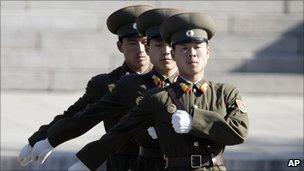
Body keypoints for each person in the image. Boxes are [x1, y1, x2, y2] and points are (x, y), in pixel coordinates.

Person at [71, 12, 249, 171]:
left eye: (197, 48)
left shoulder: (225, 93)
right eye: (184, 49)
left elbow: (239, 132)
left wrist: (195, 121)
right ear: (174, 54)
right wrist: (86, 162)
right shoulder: (158, 97)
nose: (192, 54)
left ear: (208, 52)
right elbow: (121, 132)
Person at [29, 8, 183, 171]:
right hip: (124, 162)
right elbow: (80, 116)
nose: (140, 50)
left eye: (144, 42)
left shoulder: (183, 81)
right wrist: (44, 140)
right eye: (132, 43)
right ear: (120, 46)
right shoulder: (110, 84)